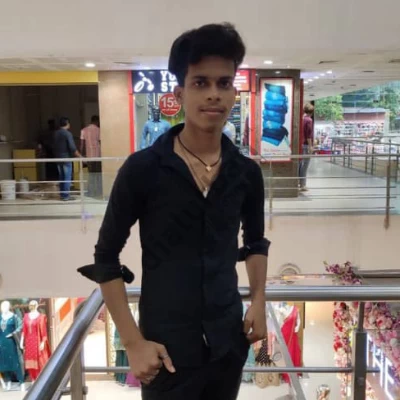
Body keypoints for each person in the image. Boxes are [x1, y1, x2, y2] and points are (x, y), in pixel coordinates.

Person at [78, 23, 270, 400]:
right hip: (165, 354)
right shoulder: (143, 169)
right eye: (200, 82)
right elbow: (105, 257)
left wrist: (259, 298)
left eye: (223, 83)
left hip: (227, 345)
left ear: (234, 92)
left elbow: (255, 242)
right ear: (180, 93)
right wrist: (132, 342)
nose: (213, 94)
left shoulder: (246, 173)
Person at [52, 117, 82, 201]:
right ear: (67, 124)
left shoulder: (55, 133)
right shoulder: (67, 134)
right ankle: (66, 196)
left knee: (61, 176)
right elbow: (72, 148)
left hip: (58, 158)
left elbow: (53, 146)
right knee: (67, 177)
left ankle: (62, 194)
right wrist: (80, 157)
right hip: (66, 158)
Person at [81, 115, 102, 198]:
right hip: (98, 156)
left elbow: (82, 145)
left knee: (91, 174)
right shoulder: (98, 130)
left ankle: (90, 192)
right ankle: (99, 191)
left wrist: (82, 155)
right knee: (98, 174)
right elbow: (100, 142)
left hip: (89, 156)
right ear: (96, 121)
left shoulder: (83, 130)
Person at [299, 103, 314, 191]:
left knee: (300, 164)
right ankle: (303, 184)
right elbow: (309, 135)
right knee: (305, 165)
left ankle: (298, 182)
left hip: (300, 145)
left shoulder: (301, 119)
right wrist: (310, 146)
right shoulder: (309, 120)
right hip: (305, 145)